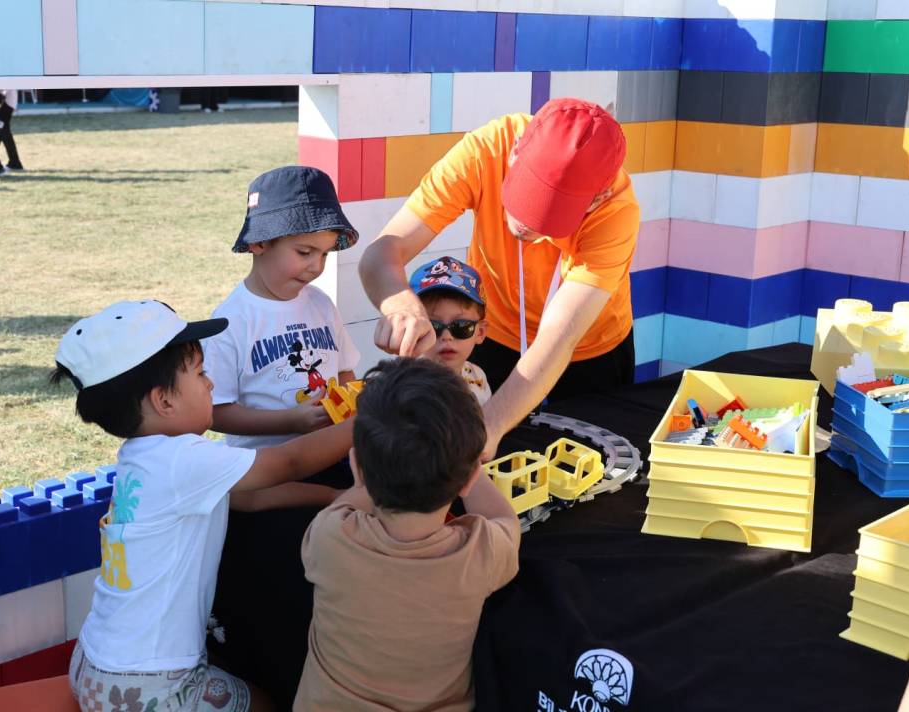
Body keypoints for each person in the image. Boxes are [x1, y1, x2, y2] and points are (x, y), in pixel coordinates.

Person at [51, 299, 353, 712]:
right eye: (201, 373)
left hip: (94, 662)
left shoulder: (143, 459)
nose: (211, 385)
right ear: (164, 402)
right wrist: (364, 419)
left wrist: (333, 497)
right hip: (149, 684)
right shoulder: (182, 459)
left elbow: (248, 498)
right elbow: (289, 462)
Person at [359, 98, 640, 459]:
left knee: (591, 466)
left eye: (551, 216)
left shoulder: (616, 210)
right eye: (526, 198)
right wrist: (401, 306)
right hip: (497, 333)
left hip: (590, 349)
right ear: (515, 154)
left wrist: (488, 427)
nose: (528, 225)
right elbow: (381, 255)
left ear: (595, 198)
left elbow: (559, 338)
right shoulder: (486, 150)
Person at [294, 357, 521, 711]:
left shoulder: (328, 536)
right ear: (470, 478)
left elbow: (348, 501)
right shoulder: (481, 553)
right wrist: (469, 469)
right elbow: (506, 520)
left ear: (357, 467)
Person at [205, 166, 359, 452]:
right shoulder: (230, 321)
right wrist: (289, 421)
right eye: (304, 252)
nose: (317, 267)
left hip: (331, 453)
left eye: (324, 253)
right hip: (266, 472)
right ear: (259, 242)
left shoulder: (321, 304)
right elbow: (215, 412)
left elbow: (345, 373)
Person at [409, 255, 492, 404]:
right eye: (433, 326)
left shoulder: (478, 376)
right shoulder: (404, 389)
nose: (447, 336)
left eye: (461, 326)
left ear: (480, 332)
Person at [0, 89, 24, 171]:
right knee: (6, 136)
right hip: (7, 103)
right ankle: (15, 163)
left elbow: (2, 92)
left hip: (5, 104)